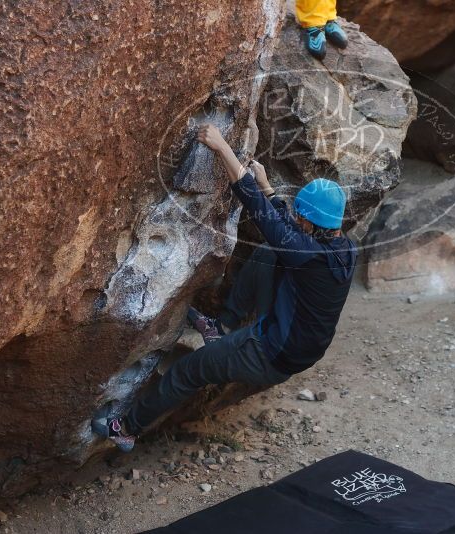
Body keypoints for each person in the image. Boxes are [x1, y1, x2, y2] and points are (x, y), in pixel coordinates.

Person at [92, 123, 357, 452]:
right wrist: (267, 185)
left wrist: (222, 148)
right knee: (268, 253)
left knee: (190, 370)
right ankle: (224, 324)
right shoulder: (343, 249)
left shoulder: (309, 256)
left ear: (313, 224)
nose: (299, 223)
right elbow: (285, 233)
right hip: (300, 343)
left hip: (272, 353)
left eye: (304, 219)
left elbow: (262, 215)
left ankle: (127, 428)